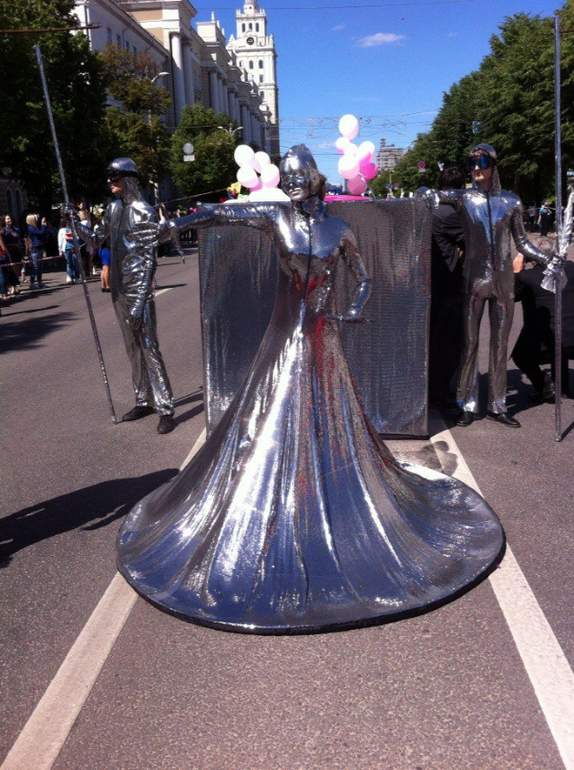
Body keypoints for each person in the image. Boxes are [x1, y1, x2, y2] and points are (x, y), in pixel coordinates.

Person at [115, 144, 504, 634]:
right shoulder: (275, 218)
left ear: (317, 179)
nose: (294, 181)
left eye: (301, 174)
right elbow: (221, 213)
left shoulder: (338, 230)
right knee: (272, 413)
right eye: (288, 175)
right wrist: (178, 224)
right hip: (283, 336)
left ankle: (328, 493)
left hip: (323, 336)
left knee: (327, 414)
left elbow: (363, 279)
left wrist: (355, 306)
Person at [422, 144, 557, 428]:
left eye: (482, 162)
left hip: (503, 282)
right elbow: (428, 194)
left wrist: (548, 258)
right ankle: (467, 402)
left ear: (493, 165)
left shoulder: (511, 201)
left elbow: (522, 242)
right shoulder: (464, 199)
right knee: (469, 343)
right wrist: (428, 193)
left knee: (499, 344)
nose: (476, 168)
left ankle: (498, 404)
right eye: (471, 163)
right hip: (474, 280)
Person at [73, 158, 175, 434]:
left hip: (138, 290)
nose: (110, 181)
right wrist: (75, 223)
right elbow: (96, 239)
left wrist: (141, 300)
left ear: (129, 178)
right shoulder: (113, 208)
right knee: (132, 347)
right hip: (118, 289)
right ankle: (143, 399)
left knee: (149, 347)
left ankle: (165, 407)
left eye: (114, 176)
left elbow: (149, 260)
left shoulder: (144, 212)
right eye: (108, 177)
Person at [512, 238, 574, 401]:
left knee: (520, 356)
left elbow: (510, 297)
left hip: (547, 341)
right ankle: (563, 387)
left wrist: (517, 272)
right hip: (571, 338)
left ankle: (545, 386)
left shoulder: (526, 277)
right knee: (559, 338)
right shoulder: (570, 267)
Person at [428, 165, 466, 410]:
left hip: (436, 282)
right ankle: (440, 393)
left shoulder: (433, 209)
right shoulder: (450, 215)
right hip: (449, 284)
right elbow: (474, 240)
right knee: (449, 341)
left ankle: (436, 390)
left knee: (438, 340)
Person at [26, 214, 48, 289]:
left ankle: (39, 282)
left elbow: (43, 233)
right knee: (35, 267)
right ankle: (32, 283)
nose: (36, 220)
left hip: (40, 248)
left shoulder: (35, 227)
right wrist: (43, 225)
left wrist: (44, 226)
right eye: (34, 219)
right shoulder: (31, 228)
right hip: (35, 249)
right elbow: (41, 232)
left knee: (40, 266)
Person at [57, 217, 80, 284]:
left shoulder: (74, 229)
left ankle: (76, 277)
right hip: (66, 248)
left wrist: (71, 238)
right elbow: (60, 240)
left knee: (75, 262)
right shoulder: (62, 230)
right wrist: (60, 250)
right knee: (69, 263)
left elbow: (78, 238)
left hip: (75, 248)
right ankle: (70, 276)